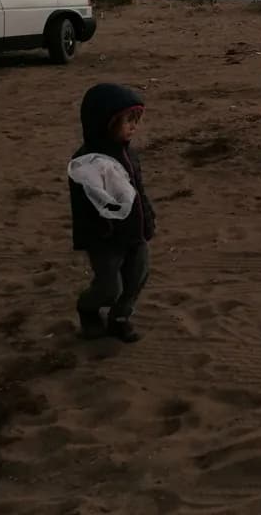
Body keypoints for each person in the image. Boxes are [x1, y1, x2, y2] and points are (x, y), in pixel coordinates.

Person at [69, 84, 155, 343]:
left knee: (137, 275)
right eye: (127, 121)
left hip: (135, 233)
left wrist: (148, 218)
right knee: (109, 287)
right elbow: (85, 206)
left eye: (135, 121)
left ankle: (120, 318)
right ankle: (88, 308)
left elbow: (138, 191)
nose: (133, 127)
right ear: (104, 122)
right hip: (105, 240)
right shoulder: (87, 163)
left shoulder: (128, 153)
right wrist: (100, 232)